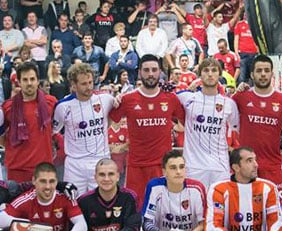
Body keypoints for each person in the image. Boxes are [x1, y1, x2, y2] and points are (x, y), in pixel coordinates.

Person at [109, 55, 186, 206]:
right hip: (136, 166)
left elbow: (186, 123)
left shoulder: (171, 98)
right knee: (136, 211)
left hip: (162, 166)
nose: (150, 73)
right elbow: (109, 121)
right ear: (139, 73)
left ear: (160, 72)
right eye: (146, 70)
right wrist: (112, 99)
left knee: (165, 210)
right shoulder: (127, 99)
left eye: (154, 70)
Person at [232, 55, 282, 193]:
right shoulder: (241, 97)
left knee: (274, 211)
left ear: (272, 74)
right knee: (245, 209)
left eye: (266, 70)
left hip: (272, 166)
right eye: (259, 71)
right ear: (252, 74)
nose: (263, 74)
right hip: (245, 166)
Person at [175, 58, 239, 188]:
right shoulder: (186, 98)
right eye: (206, 70)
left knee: (219, 207)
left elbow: (238, 130)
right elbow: (163, 99)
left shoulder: (229, 104)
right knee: (196, 208)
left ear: (220, 74)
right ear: (200, 75)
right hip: (194, 167)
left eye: (214, 70)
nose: (210, 74)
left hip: (220, 167)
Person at [53, 63, 115, 193]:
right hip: (75, 164)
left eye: (90, 82)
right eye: (84, 84)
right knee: (72, 202)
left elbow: (114, 118)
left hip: (101, 161)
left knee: (102, 204)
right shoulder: (63, 106)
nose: (89, 87)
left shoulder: (106, 99)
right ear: (74, 85)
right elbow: (52, 131)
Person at [2, 62, 56, 182]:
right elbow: (0, 137)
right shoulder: (8, 107)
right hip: (17, 170)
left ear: (38, 81)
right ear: (19, 82)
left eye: (32, 79)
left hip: (43, 169)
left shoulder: (51, 102)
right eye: (25, 80)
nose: (29, 83)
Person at [233, 14, 259, 84]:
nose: (246, 15)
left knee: (254, 76)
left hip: (254, 53)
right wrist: (236, 52)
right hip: (243, 53)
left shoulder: (255, 25)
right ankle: (240, 93)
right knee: (242, 77)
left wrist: (258, 52)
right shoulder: (239, 24)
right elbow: (236, 39)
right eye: (244, 13)